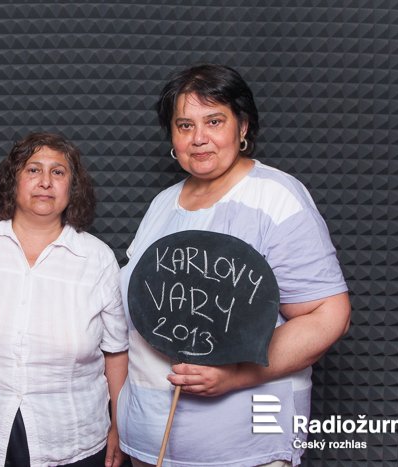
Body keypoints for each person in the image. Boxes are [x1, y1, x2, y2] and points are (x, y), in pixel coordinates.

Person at [116, 64, 351, 466]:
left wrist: (236, 375)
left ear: (242, 126)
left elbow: (329, 315)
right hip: (150, 445)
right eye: (185, 125)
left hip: (243, 448)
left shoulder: (275, 197)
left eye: (214, 121)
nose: (199, 138)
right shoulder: (162, 205)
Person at [0, 132, 129, 467]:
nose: (45, 182)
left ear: (72, 187)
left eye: (58, 172)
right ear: (13, 180)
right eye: (33, 170)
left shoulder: (97, 259)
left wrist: (119, 426)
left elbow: (116, 351)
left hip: (71, 435)